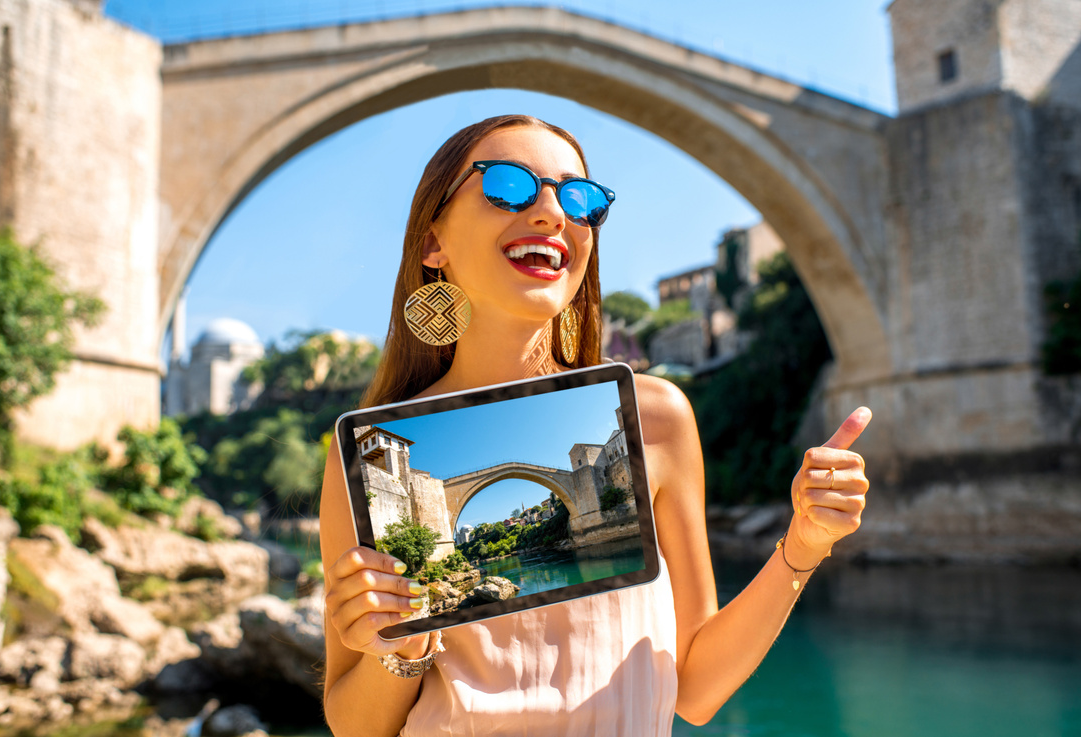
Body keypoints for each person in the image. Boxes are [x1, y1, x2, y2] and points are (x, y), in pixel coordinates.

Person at [319, 114, 871, 736]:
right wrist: (403, 646)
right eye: (509, 186)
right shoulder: (366, 458)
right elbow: (356, 728)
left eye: (580, 200)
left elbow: (696, 691)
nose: (554, 213)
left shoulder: (655, 416)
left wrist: (803, 545)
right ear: (432, 243)